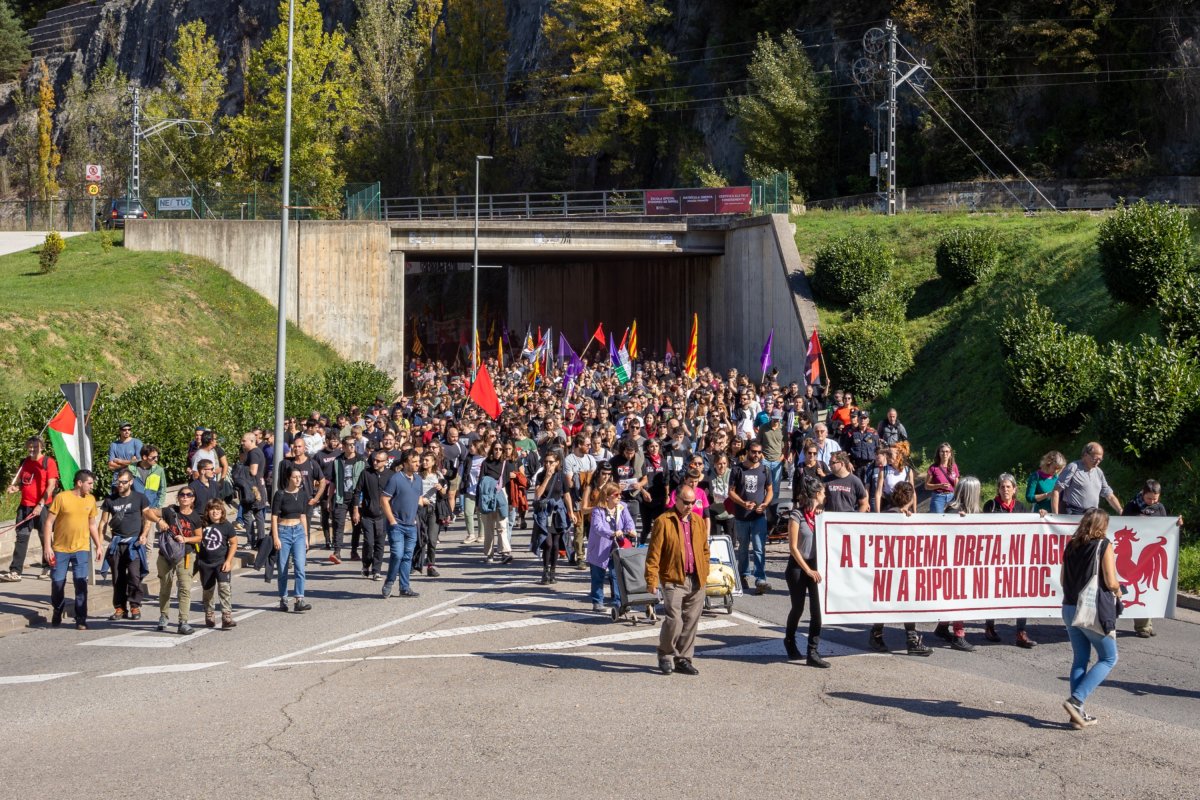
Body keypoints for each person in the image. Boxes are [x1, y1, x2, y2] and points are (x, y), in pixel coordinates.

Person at [1060, 508, 1121, 729]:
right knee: (1108, 657)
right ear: (1101, 526)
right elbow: (1110, 580)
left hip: (1069, 606)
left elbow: (1062, 577)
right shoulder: (1103, 545)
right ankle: (1076, 702)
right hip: (1090, 609)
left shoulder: (1071, 545)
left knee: (1080, 659)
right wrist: (1119, 590)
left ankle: (1076, 714)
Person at [645, 485, 709, 676]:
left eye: (693, 502)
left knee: (691, 621)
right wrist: (651, 579)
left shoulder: (698, 521)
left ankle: (683, 659)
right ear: (676, 500)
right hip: (673, 578)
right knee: (675, 620)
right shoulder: (663, 521)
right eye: (686, 502)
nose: (690, 506)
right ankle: (664, 654)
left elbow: (705, 549)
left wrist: (704, 573)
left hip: (696, 578)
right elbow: (654, 553)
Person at [866, 482, 933, 656]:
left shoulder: (889, 516)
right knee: (905, 602)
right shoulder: (900, 517)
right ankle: (909, 639)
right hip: (897, 567)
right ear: (910, 499)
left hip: (889, 567)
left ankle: (878, 635)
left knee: (888, 602)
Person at [1121, 480, 1184, 638]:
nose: (1152, 502)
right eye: (1149, 499)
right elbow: (1123, 525)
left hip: (1147, 555)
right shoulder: (1131, 506)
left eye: (1155, 499)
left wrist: (1176, 524)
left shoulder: (1159, 508)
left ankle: (1145, 626)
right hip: (1134, 553)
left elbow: (1164, 528)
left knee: (1145, 590)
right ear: (1143, 494)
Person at [982, 473, 1037, 648]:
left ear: (1014, 489)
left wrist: (1041, 515)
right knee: (993, 592)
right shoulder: (990, 506)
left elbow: (1030, 529)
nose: (1005, 490)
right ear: (998, 489)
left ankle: (1021, 632)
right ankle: (989, 627)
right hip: (995, 556)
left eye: (1008, 487)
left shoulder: (1021, 507)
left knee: (1021, 593)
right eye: (1002, 487)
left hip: (1016, 557)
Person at [43, 470, 102, 630]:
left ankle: (81, 619)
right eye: (89, 483)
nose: (92, 486)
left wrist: (98, 545)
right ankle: (58, 609)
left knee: (81, 583)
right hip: (60, 549)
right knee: (57, 583)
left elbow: (92, 524)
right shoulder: (62, 497)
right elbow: (48, 523)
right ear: (79, 483)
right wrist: (47, 547)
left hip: (81, 549)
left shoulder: (90, 499)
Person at [783, 476, 830, 667]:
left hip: (815, 565)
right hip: (798, 566)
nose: (825, 495)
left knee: (817, 611)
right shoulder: (797, 515)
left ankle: (813, 651)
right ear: (817, 494)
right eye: (824, 492)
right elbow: (793, 548)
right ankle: (789, 639)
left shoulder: (821, 515)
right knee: (798, 607)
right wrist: (808, 570)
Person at [933, 476, 981, 652]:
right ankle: (958, 635)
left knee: (957, 597)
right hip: (955, 563)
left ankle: (943, 626)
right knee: (960, 598)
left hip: (963, 561)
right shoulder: (954, 512)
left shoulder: (969, 512)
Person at [1, 436, 58, 582]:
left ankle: (49, 567)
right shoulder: (25, 462)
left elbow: (51, 485)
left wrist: (40, 504)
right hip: (25, 506)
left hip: (43, 506)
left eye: (35, 447)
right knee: (22, 537)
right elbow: (24, 483)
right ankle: (15, 571)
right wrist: (16, 488)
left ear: (42, 447)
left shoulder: (48, 462)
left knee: (44, 537)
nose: (32, 449)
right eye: (30, 446)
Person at [146, 487, 201, 635]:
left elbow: (199, 537)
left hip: (185, 555)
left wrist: (186, 539)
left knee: (184, 588)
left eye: (188, 495)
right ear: (178, 498)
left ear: (193, 499)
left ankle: (183, 621)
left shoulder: (195, 517)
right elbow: (147, 512)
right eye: (182, 494)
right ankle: (163, 616)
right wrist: (159, 520)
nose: (185, 497)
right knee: (165, 586)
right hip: (165, 555)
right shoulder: (170, 512)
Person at [99, 468, 150, 621]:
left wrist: (144, 535)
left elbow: (146, 518)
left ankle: (135, 605)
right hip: (117, 543)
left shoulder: (140, 498)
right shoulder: (110, 500)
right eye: (118, 482)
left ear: (131, 482)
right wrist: (99, 544)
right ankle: (120, 608)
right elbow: (103, 522)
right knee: (117, 578)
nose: (120, 485)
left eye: (123, 482)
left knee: (134, 576)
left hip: (134, 544)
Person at [728, 441, 773, 594]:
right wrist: (742, 503)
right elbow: (731, 492)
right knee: (743, 549)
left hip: (759, 516)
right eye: (754, 452)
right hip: (741, 516)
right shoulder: (737, 469)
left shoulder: (765, 470)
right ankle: (743, 575)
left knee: (759, 548)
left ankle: (760, 579)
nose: (756, 455)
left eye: (759, 452)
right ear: (747, 451)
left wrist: (765, 504)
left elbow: (770, 491)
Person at [381, 449, 423, 599]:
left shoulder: (418, 479)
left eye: (418, 461)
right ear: (405, 463)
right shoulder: (395, 479)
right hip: (397, 525)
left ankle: (404, 587)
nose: (418, 464)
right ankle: (389, 581)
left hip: (411, 525)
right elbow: (384, 499)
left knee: (407, 557)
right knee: (397, 554)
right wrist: (392, 520)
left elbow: (417, 498)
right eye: (414, 462)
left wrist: (423, 505)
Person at [586, 482, 634, 612]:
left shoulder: (622, 507)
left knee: (616, 574)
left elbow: (629, 521)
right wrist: (611, 533)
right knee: (598, 575)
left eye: (620, 494)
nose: (619, 497)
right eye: (616, 495)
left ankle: (620, 601)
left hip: (617, 546)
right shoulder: (598, 510)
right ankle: (597, 601)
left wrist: (631, 530)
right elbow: (597, 527)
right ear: (607, 497)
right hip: (600, 547)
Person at [271, 466, 312, 612]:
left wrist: (306, 537)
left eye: (299, 477)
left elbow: (303, 516)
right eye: (295, 477)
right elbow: (274, 517)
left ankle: (299, 599)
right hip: (284, 532)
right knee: (282, 569)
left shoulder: (302, 494)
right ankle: (283, 598)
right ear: (288, 478)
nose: (298, 479)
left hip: (299, 532)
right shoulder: (280, 494)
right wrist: (276, 537)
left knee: (300, 567)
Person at [532, 451, 573, 584]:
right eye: (546, 461)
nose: (548, 464)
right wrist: (547, 478)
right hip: (544, 513)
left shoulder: (561, 476)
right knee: (547, 543)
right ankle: (545, 571)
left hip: (557, 514)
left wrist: (571, 513)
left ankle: (553, 571)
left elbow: (566, 495)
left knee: (556, 544)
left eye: (551, 462)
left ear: (557, 463)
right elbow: (538, 494)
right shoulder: (541, 475)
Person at [196, 499, 238, 629]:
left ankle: (226, 616)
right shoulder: (202, 525)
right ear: (207, 512)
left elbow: (234, 543)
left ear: (222, 511)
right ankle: (209, 614)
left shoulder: (227, 525)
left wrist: (228, 561)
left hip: (221, 563)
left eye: (218, 509)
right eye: (212, 509)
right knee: (208, 590)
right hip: (205, 563)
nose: (215, 512)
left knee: (224, 588)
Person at [1051, 442, 1123, 515]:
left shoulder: (1099, 472)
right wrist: (1055, 515)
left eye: (1100, 459)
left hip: (1092, 514)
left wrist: (1121, 511)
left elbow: (1109, 495)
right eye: (1095, 459)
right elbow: (1056, 490)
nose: (1097, 462)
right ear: (1085, 455)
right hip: (1072, 512)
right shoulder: (1073, 467)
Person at [353, 449, 391, 581]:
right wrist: (356, 510)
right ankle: (366, 564)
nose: (375, 462)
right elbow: (357, 492)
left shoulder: (390, 475)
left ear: (385, 462)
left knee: (380, 543)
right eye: (374, 459)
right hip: (368, 514)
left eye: (379, 461)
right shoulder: (366, 473)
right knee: (369, 542)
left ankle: (377, 570)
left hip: (383, 515)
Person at [478, 441, 515, 564]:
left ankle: (505, 552)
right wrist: (479, 501)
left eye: (500, 449)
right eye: (496, 449)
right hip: (487, 495)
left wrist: (510, 502)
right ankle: (489, 554)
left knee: (502, 525)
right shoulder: (485, 463)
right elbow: (480, 483)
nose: (498, 451)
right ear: (492, 450)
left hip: (501, 494)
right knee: (488, 527)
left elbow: (509, 484)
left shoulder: (506, 464)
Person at [414, 451, 446, 577]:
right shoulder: (417, 476)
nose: (424, 462)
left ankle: (431, 565)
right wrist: (421, 499)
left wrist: (440, 488)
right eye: (423, 460)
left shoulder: (438, 475)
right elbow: (412, 491)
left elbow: (444, 494)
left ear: (433, 462)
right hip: (420, 509)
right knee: (420, 538)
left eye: (427, 460)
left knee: (432, 540)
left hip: (433, 510)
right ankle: (416, 563)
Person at [924, 442, 959, 515]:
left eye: (947, 451)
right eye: (942, 451)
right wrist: (940, 485)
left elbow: (957, 483)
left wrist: (958, 496)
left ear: (950, 453)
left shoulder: (954, 466)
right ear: (939, 453)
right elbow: (927, 486)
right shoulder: (933, 468)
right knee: (938, 521)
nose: (944, 454)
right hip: (938, 497)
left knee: (951, 520)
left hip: (952, 497)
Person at [106, 422, 142, 489]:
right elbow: (110, 466)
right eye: (124, 430)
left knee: (137, 498)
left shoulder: (137, 442)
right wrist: (131, 462)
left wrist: (120, 461)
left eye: (129, 429)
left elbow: (139, 461)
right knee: (114, 498)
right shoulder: (114, 445)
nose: (127, 431)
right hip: (118, 479)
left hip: (134, 477)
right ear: (120, 431)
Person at [131, 445, 167, 509]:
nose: (156, 459)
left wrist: (158, 506)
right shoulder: (131, 469)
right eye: (153, 457)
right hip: (135, 509)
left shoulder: (159, 470)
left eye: (157, 457)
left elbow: (162, 490)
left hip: (152, 508)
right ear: (144, 457)